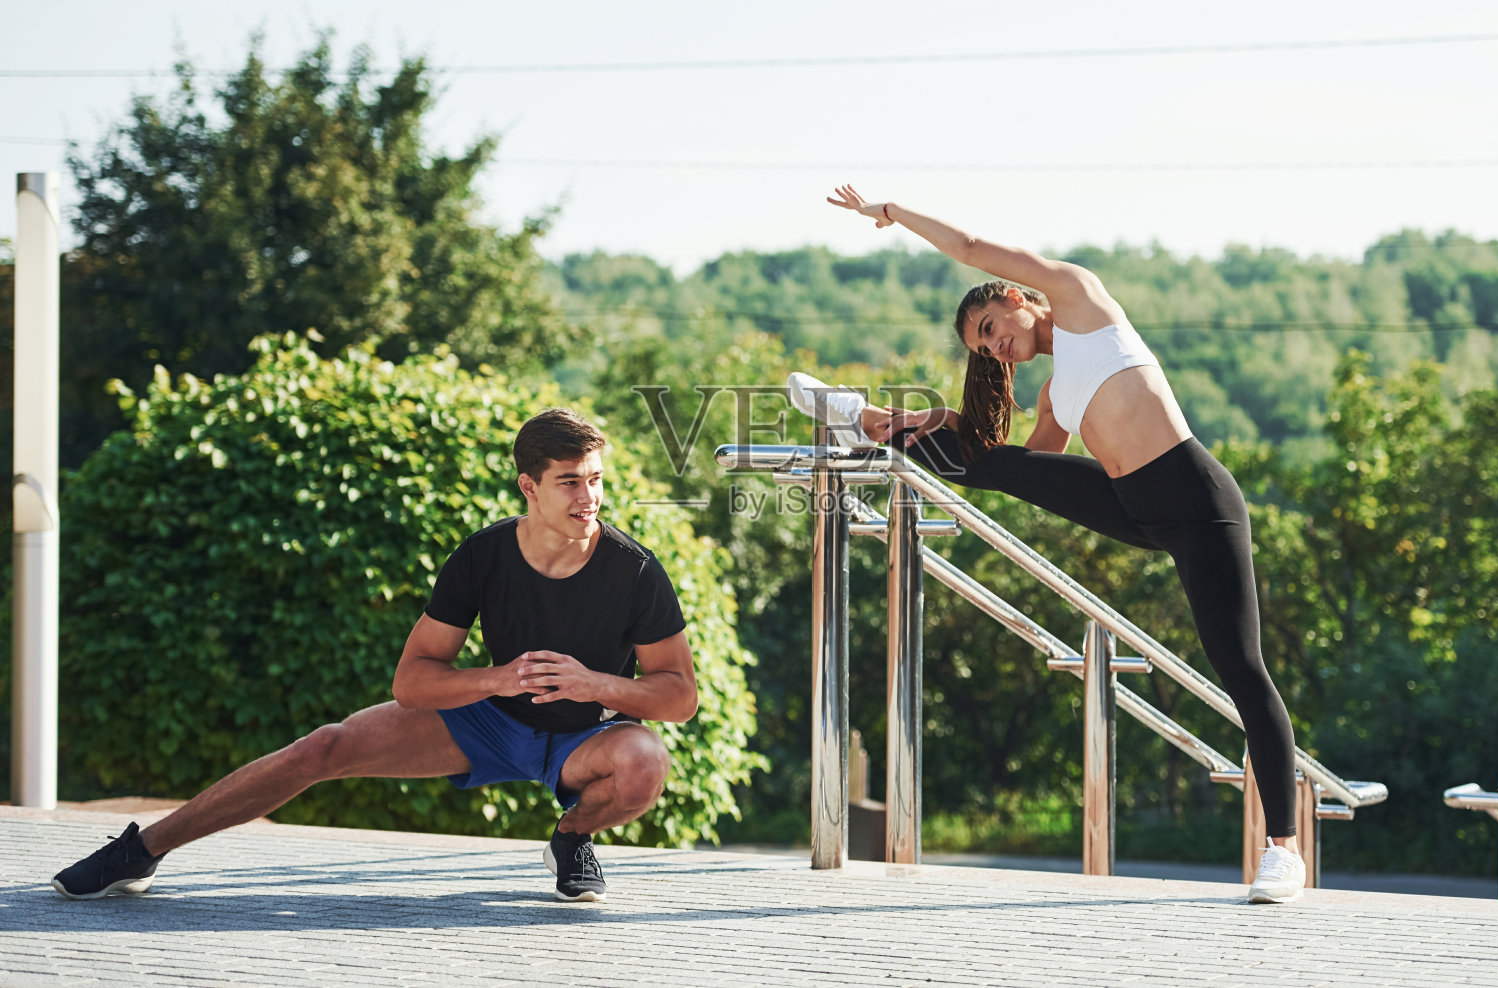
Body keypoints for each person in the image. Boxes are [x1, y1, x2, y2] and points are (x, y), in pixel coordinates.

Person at [794, 185, 1305, 904]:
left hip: (1198, 505)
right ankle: (870, 420)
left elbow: (970, 248)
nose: (997, 345)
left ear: (1017, 298)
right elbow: (1009, 464)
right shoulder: (1057, 395)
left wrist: (894, 214)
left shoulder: (1080, 299)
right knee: (991, 459)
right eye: (985, 346)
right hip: (1134, 507)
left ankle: (1284, 850)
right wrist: (937, 419)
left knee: (1240, 667)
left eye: (993, 325)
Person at [51, 407, 699, 904]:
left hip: (588, 738)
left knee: (644, 763)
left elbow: (680, 697)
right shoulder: (484, 556)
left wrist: (595, 686)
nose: (589, 499)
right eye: (570, 483)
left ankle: (572, 836)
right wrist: (497, 677)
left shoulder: (634, 570)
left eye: (595, 480)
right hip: (490, 721)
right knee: (321, 748)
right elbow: (414, 682)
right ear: (529, 486)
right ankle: (140, 851)